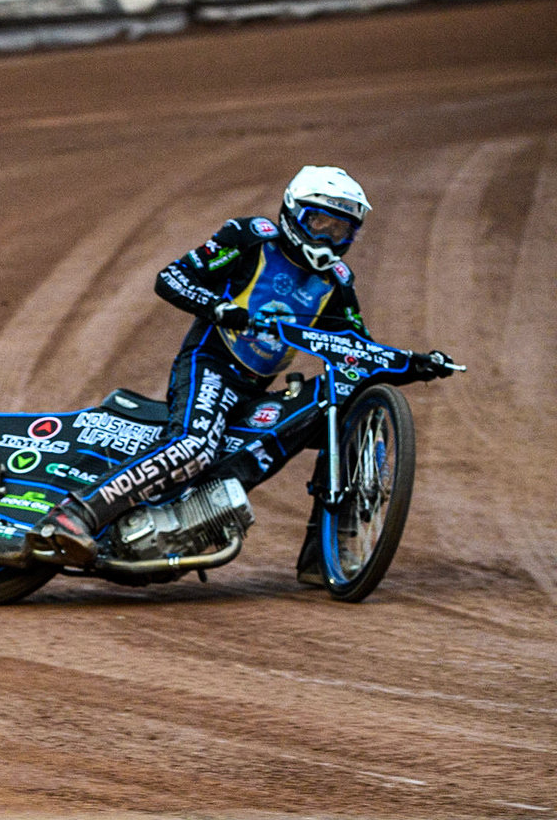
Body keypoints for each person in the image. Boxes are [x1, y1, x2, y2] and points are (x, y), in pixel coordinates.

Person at [25, 166, 456, 575]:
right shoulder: (250, 237)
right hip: (209, 364)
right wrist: (220, 309)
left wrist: (415, 364)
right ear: (291, 213)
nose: (326, 238)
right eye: (318, 222)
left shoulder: (339, 281)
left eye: (340, 230)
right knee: (195, 448)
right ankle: (75, 515)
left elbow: (356, 349)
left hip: (254, 389)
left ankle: (322, 558)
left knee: (345, 410)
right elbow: (171, 278)